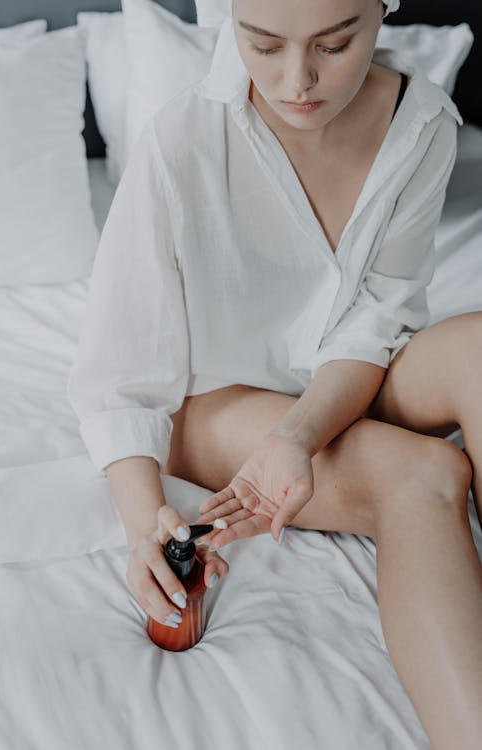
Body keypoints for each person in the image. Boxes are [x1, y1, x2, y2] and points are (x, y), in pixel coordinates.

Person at [67, 1, 482, 747]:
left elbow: (376, 321)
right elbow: (120, 375)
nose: (299, 80)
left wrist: (300, 432)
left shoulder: (423, 124)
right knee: (421, 472)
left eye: (336, 42)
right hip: (220, 404)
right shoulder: (182, 139)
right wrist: (142, 530)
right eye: (261, 44)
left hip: (348, 378)